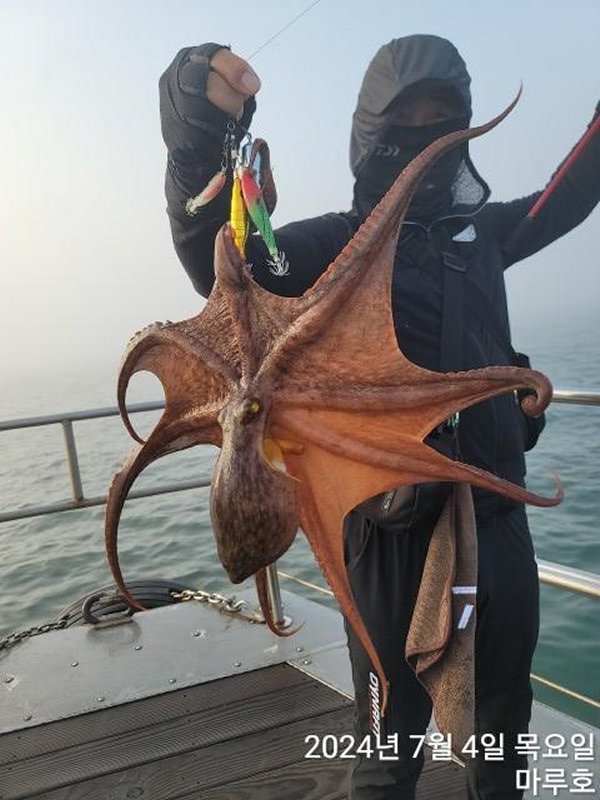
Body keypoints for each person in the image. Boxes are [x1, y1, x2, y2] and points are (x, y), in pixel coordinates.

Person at [159, 36, 600, 799]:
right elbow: (220, 265)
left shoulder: (484, 237)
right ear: (371, 135)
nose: (425, 140)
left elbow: (572, 192)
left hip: (496, 520)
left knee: (501, 741)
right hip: (383, 534)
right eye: (406, 123)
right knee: (387, 748)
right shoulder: (332, 246)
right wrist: (197, 126)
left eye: (442, 120)